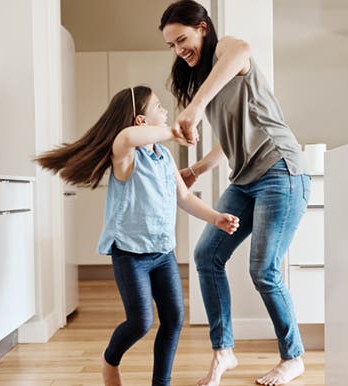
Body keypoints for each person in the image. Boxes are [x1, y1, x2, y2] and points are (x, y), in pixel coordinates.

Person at [36, 86, 240, 386]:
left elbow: (183, 197)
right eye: (158, 106)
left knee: (173, 318)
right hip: (130, 254)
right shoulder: (125, 155)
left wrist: (215, 218)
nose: (166, 111)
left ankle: (162, 383)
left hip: (162, 253)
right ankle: (110, 360)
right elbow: (127, 137)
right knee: (141, 321)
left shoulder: (164, 158)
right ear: (141, 120)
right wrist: (174, 132)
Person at [159, 2, 311, 386]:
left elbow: (243, 49)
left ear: (203, 28)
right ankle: (223, 352)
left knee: (264, 269)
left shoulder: (228, 51)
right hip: (244, 179)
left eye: (183, 39)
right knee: (206, 255)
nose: (179, 50)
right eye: (172, 45)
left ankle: (293, 357)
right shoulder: (204, 78)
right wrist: (195, 168)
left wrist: (193, 110)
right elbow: (230, 141)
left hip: (280, 170)